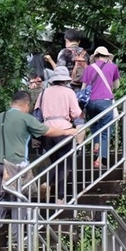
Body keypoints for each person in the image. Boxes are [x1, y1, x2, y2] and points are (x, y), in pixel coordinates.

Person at [0, 90, 78, 232]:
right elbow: (46, 131)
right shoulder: (25, 118)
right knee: (18, 199)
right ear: (26, 105)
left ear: (11, 103)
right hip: (14, 163)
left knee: (0, 196)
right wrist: (66, 132)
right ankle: (16, 237)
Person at [32, 66, 83, 203]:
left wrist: (36, 137)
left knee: (56, 162)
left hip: (47, 131)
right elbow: (76, 114)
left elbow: (37, 115)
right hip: (64, 131)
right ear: (65, 80)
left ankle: (48, 185)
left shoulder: (43, 92)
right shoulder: (69, 92)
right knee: (64, 164)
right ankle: (59, 197)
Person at [80, 46, 120, 168]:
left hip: (91, 102)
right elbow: (117, 86)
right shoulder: (113, 67)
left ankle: (96, 145)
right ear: (107, 57)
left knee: (95, 126)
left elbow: (83, 88)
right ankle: (100, 160)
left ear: (95, 56)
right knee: (106, 131)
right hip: (105, 102)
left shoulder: (89, 68)